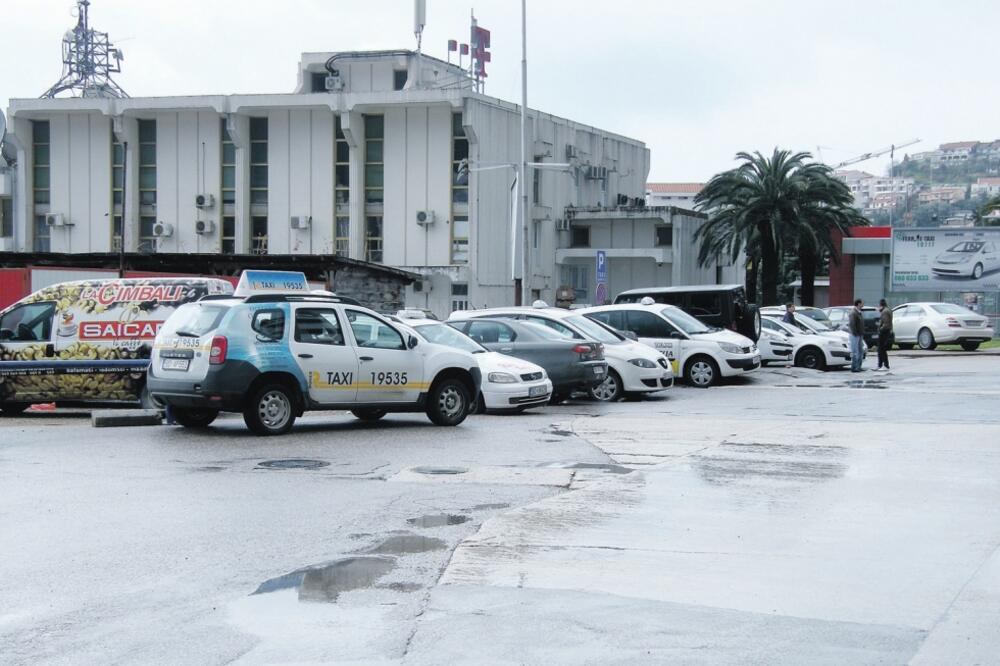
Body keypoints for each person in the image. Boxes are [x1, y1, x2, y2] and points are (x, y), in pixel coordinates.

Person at [849, 299, 865, 372]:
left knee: (860, 351)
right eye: (862, 303)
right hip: (855, 335)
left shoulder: (859, 312)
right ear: (858, 304)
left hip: (860, 334)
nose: (863, 304)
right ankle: (854, 367)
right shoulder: (853, 313)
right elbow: (852, 324)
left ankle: (858, 366)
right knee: (855, 351)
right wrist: (855, 333)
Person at [876, 298, 893, 371]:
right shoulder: (887, 310)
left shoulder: (885, 312)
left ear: (881, 305)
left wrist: (880, 329)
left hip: (884, 332)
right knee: (881, 349)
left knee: (881, 349)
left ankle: (884, 365)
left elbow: (886, 323)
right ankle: (881, 365)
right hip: (887, 331)